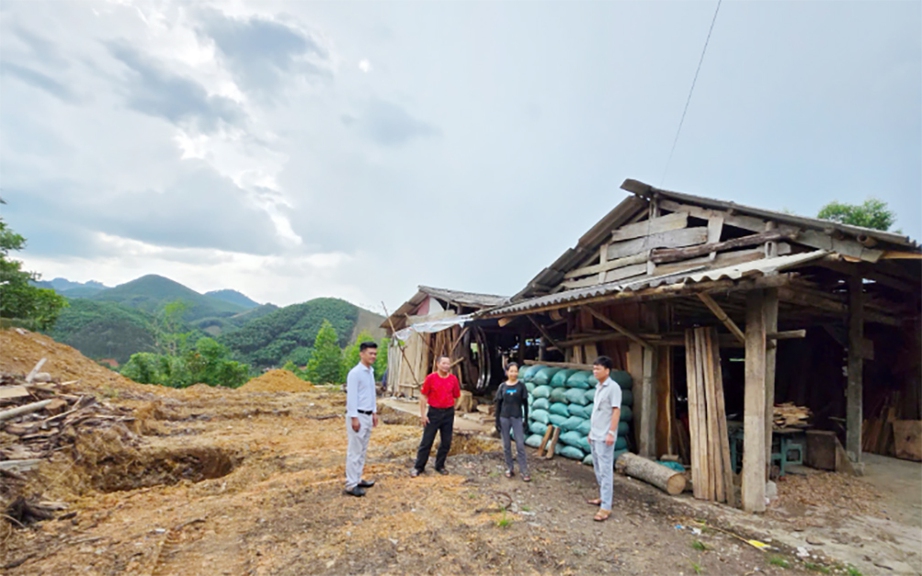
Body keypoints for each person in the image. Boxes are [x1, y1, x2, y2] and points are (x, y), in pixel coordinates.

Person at [410, 355, 460, 477]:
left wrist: (453, 408)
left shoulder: (453, 379)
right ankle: (418, 467)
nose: (446, 366)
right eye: (443, 363)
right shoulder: (431, 378)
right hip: (434, 413)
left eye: (448, 364)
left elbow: (457, 396)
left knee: (446, 442)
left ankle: (440, 465)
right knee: (427, 441)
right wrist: (423, 415)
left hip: (448, 413)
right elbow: (423, 396)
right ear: (437, 364)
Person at [586, 355, 622, 522]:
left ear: (607, 371)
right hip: (595, 434)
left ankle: (606, 507)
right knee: (597, 468)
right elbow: (597, 412)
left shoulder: (613, 388)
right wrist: (591, 432)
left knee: (606, 470)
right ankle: (602, 496)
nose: (595, 371)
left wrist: (611, 433)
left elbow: (616, 411)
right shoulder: (599, 387)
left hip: (605, 435)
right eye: (594, 368)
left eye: (598, 368)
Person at [344, 342, 379, 497]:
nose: (373, 356)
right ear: (362, 354)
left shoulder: (370, 372)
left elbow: (371, 394)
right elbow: (351, 397)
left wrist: (374, 412)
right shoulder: (355, 373)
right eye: (370, 353)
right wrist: (354, 417)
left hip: (368, 414)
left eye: (374, 354)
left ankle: (358, 478)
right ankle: (351, 484)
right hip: (357, 415)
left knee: (362, 449)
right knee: (355, 451)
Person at [493, 362, 530, 482]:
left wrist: (526, 419)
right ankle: (510, 468)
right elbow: (498, 405)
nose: (513, 373)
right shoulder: (502, 387)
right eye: (511, 371)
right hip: (504, 418)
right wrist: (497, 421)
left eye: (516, 371)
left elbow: (525, 404)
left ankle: (524, 471)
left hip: (517, 417)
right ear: (507, 372)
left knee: (520, 444)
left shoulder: (521, 386)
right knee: (506, 445)